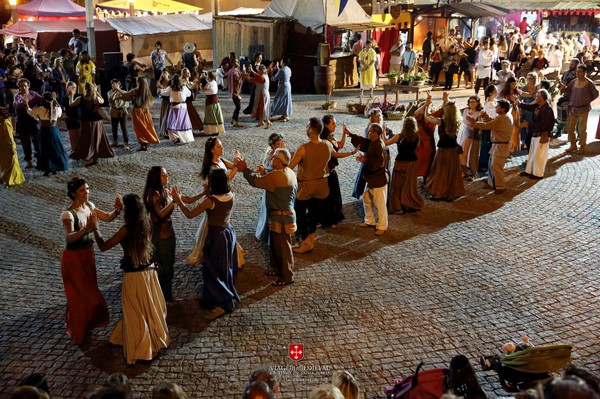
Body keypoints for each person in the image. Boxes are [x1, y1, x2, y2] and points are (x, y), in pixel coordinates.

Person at [92, 193, 170, 365]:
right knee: (149, 309)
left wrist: (95, 228)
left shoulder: (125, 230)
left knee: (135, 313)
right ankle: (134, 337)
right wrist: (121, 207)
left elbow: (103, 246)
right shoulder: (147, 223)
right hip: (149, 274)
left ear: (128, 211)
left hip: (134, 277)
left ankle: (141, 350)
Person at [60, 177, 121, 344]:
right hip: (73, 259)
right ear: (73, 193)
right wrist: (87, 229)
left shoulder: (89, 206)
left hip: (87, 255)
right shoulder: (68, 214)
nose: (86, 192)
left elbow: (108, 218)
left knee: (88, 291)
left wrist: (117, 210)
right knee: (80, 295)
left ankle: (87, 324)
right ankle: (79, 332)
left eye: (87, 189)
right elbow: (70, 237)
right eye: (82, 190)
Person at [173, 169, 241, 318]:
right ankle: (219, 298)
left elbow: (190, 214)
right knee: (225, 268)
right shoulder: (230, 195)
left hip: (215, 237)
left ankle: (221, 303)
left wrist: (178, 201)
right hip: (228, 234)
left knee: (212, 270)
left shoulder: (210, 201)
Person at [237, 148, 297, 286]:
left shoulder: (275, 176)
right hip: (283, 217)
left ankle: (287, 276)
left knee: (283, 248)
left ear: (279, 161)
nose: (272, 157)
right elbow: (271, 178)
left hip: (281, 219)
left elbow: (255, 182)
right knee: (276, 245)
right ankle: (276, 269)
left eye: (275, 156)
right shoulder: (289, 172)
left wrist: (244, 169)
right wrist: (264, 171)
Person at [288, 117, 335, 253]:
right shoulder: (327, 144)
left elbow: (291, 167)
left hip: (306, 187)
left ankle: (305, 241)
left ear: (311, 130)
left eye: (307, 126)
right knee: (313, 213)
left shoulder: (303, 148)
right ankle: (311, 237)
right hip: (321, 186)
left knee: (300, 213)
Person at [346, 123, 389, 235]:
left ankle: (382, 226)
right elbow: (363, 142)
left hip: (378, 179)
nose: (368, 133)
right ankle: (370, 220)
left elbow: (378, 163)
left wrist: (364, 160)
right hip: (371, 179)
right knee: (367, 198)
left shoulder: (379, 146)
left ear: (375, 133)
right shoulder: (373, 143)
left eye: (370, 131)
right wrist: (351, 134)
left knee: (380, 204)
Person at [423, 92, 465, 201]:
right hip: (453, 150)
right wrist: (446, 99)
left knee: (441, 172)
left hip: (443, 150)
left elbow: (427, 117)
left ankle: (439, 193)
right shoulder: (457, 121)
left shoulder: (441, 121)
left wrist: (426, 105)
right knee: (451, 172)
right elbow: (451, 106)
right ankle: (451, 192)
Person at [143, 167, 176, 303]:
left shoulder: (165, 190)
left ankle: (166, 295)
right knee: (164, 267)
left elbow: (184, 199)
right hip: (161, 235)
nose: (166, 176)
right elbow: (161, 213)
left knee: (170, 265)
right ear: (156, 177)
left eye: (167, 174)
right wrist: (174, 201)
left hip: (169, 231)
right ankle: (163, 296)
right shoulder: (154, 194)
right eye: (163, 175)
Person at [320, 115, 359, 228]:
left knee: (335, 195)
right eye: (333, 123)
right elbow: (335, 154)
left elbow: (340, 145)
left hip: (332, 172)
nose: (335, 125)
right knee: (329, 197)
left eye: (335, 123)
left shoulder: (330, 136)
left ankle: (333, 219)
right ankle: (328, 220)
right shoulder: (324, 139)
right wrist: (351, 153)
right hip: (326, 172)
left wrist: (344, 133)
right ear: (326, 125)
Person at [69, 82, 114, 166]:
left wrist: (71, 95)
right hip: (97, 122)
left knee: (87, 139)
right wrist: (97, 91)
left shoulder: (81, 98)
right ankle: (95, 156)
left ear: (85, 89)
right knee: (96, 138)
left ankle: (90, 157)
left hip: (86, 122)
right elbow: (103, 100)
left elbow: (71, 104)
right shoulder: (96, 98)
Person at [386, 116, 423, 214]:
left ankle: (397, 207)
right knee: (409, 186)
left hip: (401, 163)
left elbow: (386, 143)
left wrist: (383, 133)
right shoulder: (417, 136)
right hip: (412, 163)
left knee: (397, 187)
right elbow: (417, 148)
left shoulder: (399, 136)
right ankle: (409, 204)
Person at [26, 91, 68, 176]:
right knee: (55, 148)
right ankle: (55, 167)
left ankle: (47, 168)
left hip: (44, 131)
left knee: (45, 149)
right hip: (54, 131)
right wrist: (55, 100)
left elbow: (30, 112)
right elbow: (60, 110)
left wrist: (26, 103)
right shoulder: (57, 109)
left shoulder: (41, 109)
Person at [474, 99, 513, 192]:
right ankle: (492, 184)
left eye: (498, 106)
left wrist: (473, 123)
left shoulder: (502, 118)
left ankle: (500, 186)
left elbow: (487, 125)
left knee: (496, 166)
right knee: (491, 165)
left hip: (500, 146)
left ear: (503, 109)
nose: (495, 107)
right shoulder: (504, 116)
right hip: (497, 145)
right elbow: (492, 122)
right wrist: (486, 116)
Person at [254, 133, 286, 245]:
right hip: (271, 186)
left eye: (281, 142)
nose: (281, 144)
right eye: (278, 143)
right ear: (272, 146)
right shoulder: (271, 156)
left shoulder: (280, 153)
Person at [519, 89, 556, 178]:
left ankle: (538, 173)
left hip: (542, 135)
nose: (536, 97)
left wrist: (528, 125)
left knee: (539, 155)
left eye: (538, 96)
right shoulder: (538, 106)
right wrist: (519, 103)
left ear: (543, 98)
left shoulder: (547, 109)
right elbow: (529, 107)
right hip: (535, 133)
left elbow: (543, 125)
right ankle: (529, 171)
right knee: (532, 153)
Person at [564, 65, 599, 155]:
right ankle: (573, 145)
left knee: (582, 129)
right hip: (573, 108)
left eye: (579, 71)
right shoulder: (574, 82)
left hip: (583, 109)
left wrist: (587, 100)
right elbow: (567, 91)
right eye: (577, 71)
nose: (577, 73)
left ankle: (582, 146)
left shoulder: (589, 83)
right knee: (571, 128)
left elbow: (595, 94)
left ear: (584, 72)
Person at [119, 77, 160, 151]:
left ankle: (142, 144)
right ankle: (145, 143)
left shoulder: (135, 90)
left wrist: (117, 89)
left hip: (137, 111)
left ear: (139, 82)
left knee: (138, 128)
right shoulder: (147, 91)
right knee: (146, 127)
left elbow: (125, 95)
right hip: (146, 111)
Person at [13, 78, 42, 169]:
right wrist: (24, 103)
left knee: (37, 142)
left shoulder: (34, 94)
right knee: (25, 143)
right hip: (22, 123)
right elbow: (16, 104)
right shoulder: (17, 96)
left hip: (33, 122)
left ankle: (39, 160)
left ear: (28, 86)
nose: (24, 87)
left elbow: (42, 99)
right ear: (19, 87)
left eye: (25, 85)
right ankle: (28, 161)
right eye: (21, 86)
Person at [160, 74, 195, 144]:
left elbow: (164, 93)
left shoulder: (170, 88)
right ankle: (186, 138)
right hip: (183, 107)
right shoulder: (184, 88)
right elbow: (189, 94)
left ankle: (176, 138)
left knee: (172, 123)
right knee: (183, 123)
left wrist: (160, 90)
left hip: (175, 108)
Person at [458, 95, 483, 181]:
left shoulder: (479, 113)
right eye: (470, 102)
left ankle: (471, 172)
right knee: (461, 152)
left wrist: (472, 121)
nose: (471, 104)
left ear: (477, 103)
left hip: (473, 134)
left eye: (473, 102)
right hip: (463, 132)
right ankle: (462, 170)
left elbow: (480, 124)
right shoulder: (465, 110)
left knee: (470, 153)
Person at [0, 107, 25, 187]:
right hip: (3, 145)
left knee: (11, 162)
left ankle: (12, 179)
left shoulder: (5, 123)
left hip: (8, 145)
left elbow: (9, 136)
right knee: (6, 162)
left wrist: (11, 147)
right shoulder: (4, 122)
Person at [413, 100, 437, 180]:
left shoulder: (433, 118)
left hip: (429, 144)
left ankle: (426, 180)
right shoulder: (419, 118)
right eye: (423, 108)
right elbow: (415, 113)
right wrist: (425, 104)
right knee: (418, 162)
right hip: (420, 144)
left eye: (428, 107)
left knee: (428, 162)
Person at [478, 84, 498, 173]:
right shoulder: (488, 104)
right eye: (495, 91)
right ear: (490, 93)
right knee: (486, 145)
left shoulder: (495, 102)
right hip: (488, 127)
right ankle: (483, 164)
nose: (497, 92)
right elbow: (491, 116)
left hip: (494, 127)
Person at [107, 78, 130, 150]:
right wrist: (115, 91)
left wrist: (118, 90)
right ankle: (115, 141)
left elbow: (126, 96)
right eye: (112, 84)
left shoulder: (124, 91)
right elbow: (111, 99)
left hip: (122, 111)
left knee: (124, 128)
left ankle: (126, 143)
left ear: (118, 84)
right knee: (114, 127)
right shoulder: (110, 92)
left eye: (114, 84)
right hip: (113, 111)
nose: (112, 85)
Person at [202, 70, 226, 135]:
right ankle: (217, 129)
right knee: (216, 115)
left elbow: (203, 89)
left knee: (211, 116)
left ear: (209, 77)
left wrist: (200, 83)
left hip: (210, 101)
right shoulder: (214, 82)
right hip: (216, 101)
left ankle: (212, 130)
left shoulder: (209, 84)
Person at [181, 67, 204, 132]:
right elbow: (190, 88)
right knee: (191, 114)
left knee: (192, 113)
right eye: (187, 73)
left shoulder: (188, 81)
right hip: (186, 100)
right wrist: (196, 82)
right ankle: (194, 126)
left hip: (189, 100)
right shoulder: (183, 81)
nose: (189, 73)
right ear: (184, 74)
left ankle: (196, 126)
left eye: (189, 72)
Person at [270, 57, 293, 122]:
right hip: (288, 85)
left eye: (281, 61)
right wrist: (278, 69)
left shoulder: (281, 70)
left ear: (283, 63)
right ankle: (285, 115)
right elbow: (284, 73)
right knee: (286, 100)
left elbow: (274, 78)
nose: (280, 62)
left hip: (283, 86)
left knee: (277, 99)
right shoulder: (288, 69)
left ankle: (272, 113)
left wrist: (271, 73)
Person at [224, 59, 244, 127]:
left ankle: (233, 119)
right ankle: (236, 121)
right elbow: (237, 80)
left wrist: (249, 71)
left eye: (238, 61)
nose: (238, 63)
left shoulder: (237, 70)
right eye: (236, 62)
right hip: (234, 91)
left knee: (237, 106)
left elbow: (242, 77)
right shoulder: (232, 71)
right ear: (233, 63)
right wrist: (241, 74)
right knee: (238, 106)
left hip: (238, 90)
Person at [62, 81, 81, 155]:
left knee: (80, 136)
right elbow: (64, 108)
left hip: (79, 119)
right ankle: (74, 150)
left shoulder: (78, 96)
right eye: (72, 87)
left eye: (75, 87)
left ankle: (81, 150)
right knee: (72, 137)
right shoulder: (64, 98)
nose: (74, 89)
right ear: (67, 88)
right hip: (70, 119)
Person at [156, 69, 171, 139]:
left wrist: (162, 90)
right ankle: (163, 131)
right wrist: (160, 90)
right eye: (163, 73)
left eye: (165, 73)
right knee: (163, 115)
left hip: (169, 100)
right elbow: (158, 92)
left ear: (168, 74)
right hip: (164, 101)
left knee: (168, 115)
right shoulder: (160, 82)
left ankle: (168, 131)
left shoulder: (171, 82)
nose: (164, 74)